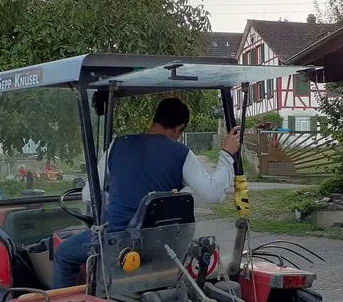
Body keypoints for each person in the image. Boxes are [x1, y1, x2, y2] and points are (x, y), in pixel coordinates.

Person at [51, 97, 241, 288]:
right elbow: (214, 193)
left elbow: (88, 195)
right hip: (162, 245)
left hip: (116, 244)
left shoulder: (118, 146)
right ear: (179, 127)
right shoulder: (180, 153)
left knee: (64, 254)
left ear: (156, 119)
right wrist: (226, 154)